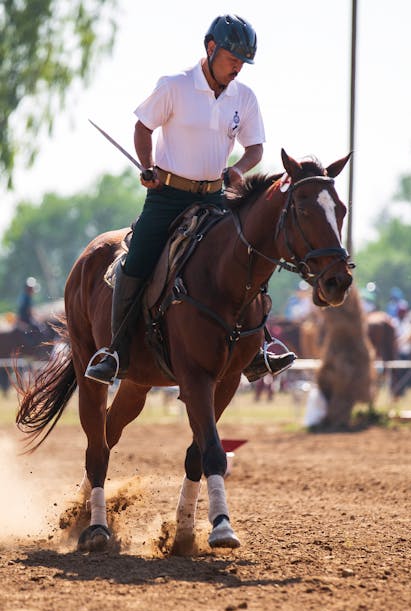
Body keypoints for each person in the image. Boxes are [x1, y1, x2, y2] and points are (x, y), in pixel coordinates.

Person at [86, 14, 295, 385]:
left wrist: (239, 168)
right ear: (211, 48)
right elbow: (142, 126)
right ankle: (115, 352)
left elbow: (256, 147)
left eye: (243, 63)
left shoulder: (244, 97)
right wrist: (148, 166)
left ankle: (257, 349)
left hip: (215, 199)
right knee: (136, 263)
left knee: (248, 259)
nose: (238, 68)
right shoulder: (174, 85)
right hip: (166, 197)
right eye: (233, 59)